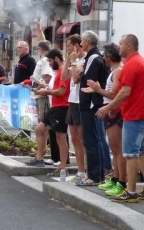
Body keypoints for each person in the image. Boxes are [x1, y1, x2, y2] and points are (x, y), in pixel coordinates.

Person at [97, 34, 144, 202]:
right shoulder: (140, 61)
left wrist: (109, 107)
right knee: (141, 153)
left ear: (130, 46)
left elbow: (125, 91)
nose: (119, 46)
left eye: (121, 43)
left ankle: (131, 192)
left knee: (130, 154)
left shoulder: (131, 65)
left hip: (134, 114)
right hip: (140, 113)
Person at [88, 43, 127, 197]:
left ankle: (121, 182)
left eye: (104, 55)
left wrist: (99, 90)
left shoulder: (118, 71)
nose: (103, 57)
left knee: (118, 150)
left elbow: (115, 95)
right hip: (113, 111)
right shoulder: (114, 71)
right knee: (115, 150)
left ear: (109, 57)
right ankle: (116, 179)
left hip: (115, 113)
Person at [28, 49, 70, 182]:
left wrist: (46, 91)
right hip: (55, 107)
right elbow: (56, 89)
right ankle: (40, 157)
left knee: (60, 137)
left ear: (57, 59)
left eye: (51, 61)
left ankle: (63, 167)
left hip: (61, 107)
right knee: (39, 129)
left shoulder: (63, 72)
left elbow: (62, 91)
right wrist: (45, 88)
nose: (50, 64)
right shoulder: (59, 72)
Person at [77, 31, 108, 186]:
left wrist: (81, 72)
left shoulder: (94, 58)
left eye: (82, 41)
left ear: (88, 41)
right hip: (89, 103)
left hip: (90, 104)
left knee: (91, 140)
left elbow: (88, 79)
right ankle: (98, 175)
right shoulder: (92, 57)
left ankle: (94, 176)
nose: (80, 43)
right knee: (92, 139)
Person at [62, 34, 88, 183]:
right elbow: (65, 77)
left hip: (81, 101)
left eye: (70, 46)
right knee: (75, 139)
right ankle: (80, 170)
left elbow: (76, 78)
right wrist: (68, 60)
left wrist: (73, 61)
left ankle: (87, 171)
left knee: (83, 138)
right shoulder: (72, 60)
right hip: (72, 100)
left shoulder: (84, 60)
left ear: (77, 45)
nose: (68, 48)